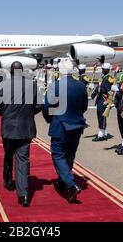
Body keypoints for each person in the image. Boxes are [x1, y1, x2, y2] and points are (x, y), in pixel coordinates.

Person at [0, 61, 43, 207]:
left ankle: (8, 182)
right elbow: (39, 106)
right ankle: (24, 194)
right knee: (23, 160)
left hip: (8, 127)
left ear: (11, 72)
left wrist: (6, 114)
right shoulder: (32, 86)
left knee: (8, 155)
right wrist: (28, 114)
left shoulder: (2, 85)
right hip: (25, 128)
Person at [43, 60, 88, 203]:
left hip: (60, 125)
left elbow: (47, 107)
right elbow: (84, 106)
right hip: (76, 125)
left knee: (58, 155)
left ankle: (70, 184)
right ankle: (63, 182)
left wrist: (50, 118)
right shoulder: (81, 86)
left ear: (60, 71)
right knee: (70, 155)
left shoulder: (55, 86)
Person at [91, 62, 114, 142]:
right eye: (102, 69)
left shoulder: (110, 78)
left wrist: (99, 88)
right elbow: (98, 87)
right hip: (99, 99)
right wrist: (92, 95)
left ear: (107, 70)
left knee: (102, 117)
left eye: (104, 69)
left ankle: (101, 134)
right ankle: (103, 132)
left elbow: (107, 89)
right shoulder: (102, 77)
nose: (102, 70)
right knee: (100, 116)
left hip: (105, 99)